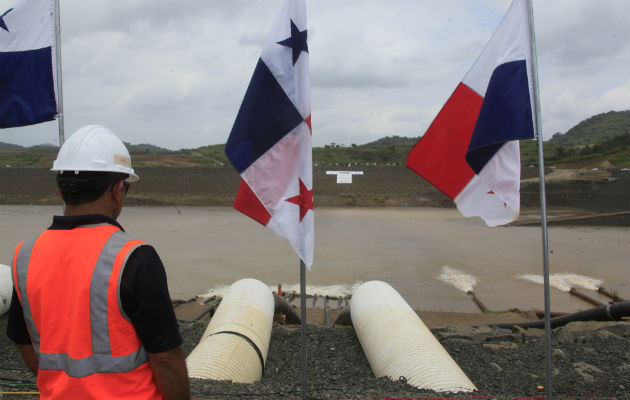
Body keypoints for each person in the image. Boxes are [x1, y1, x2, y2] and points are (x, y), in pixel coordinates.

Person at [6, 125, 191, 399]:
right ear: (118, 189)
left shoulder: (25, 255)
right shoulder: (134, 257)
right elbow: (165, 358)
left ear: (60, 191)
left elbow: (24, 342)